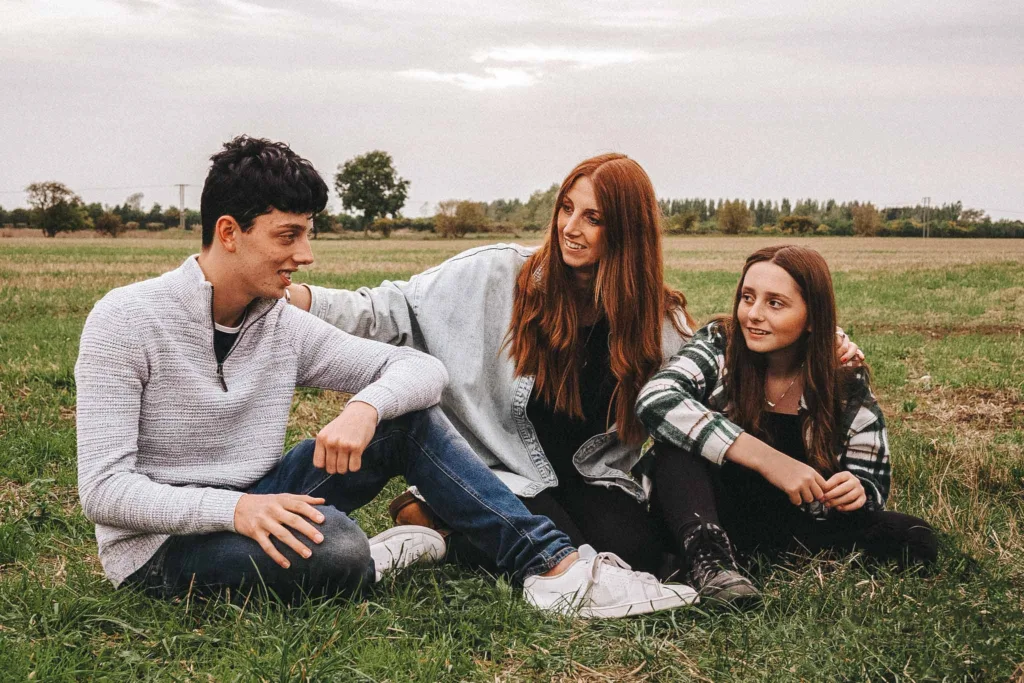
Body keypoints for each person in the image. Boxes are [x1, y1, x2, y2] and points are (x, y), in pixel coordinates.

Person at [75, 136, 695, 618]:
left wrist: (365, 407)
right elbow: (103, 492)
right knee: (341, 552)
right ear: (229, 233)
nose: (306, 255)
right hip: (160, 547)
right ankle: (394, 548)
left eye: (307, 235)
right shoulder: (125, 320)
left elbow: (418, 369)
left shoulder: (276, 323)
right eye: (288, 236)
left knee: (405, 418)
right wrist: (236, 509)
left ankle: (556, 570)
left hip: (266, 495)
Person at [287, 154, 864, 575]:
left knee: (634, 555)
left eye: (593, 217)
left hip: (592, 474)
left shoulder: (654, 321)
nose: (570, 227)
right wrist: (293, 296)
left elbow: (723, 364)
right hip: (502, 465)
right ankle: (445, 517)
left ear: (628, 231)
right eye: (567, 208)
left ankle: (442, 526)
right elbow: (384, 309)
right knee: (568, 553)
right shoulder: (497, 276)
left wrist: (822, 341)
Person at [635, 245, 938, 604]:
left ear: (812, 317)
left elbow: (871, 477)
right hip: (710, 509)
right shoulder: (721, 344)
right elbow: (655, 398)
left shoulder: (841, 376)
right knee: (678, 445)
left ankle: (741, 560)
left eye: (775, 303)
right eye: (748, 298)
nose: (754, 314)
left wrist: (857, 490)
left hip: (793, 520)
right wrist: (769, 459)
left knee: (914, 534)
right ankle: (712, 564)